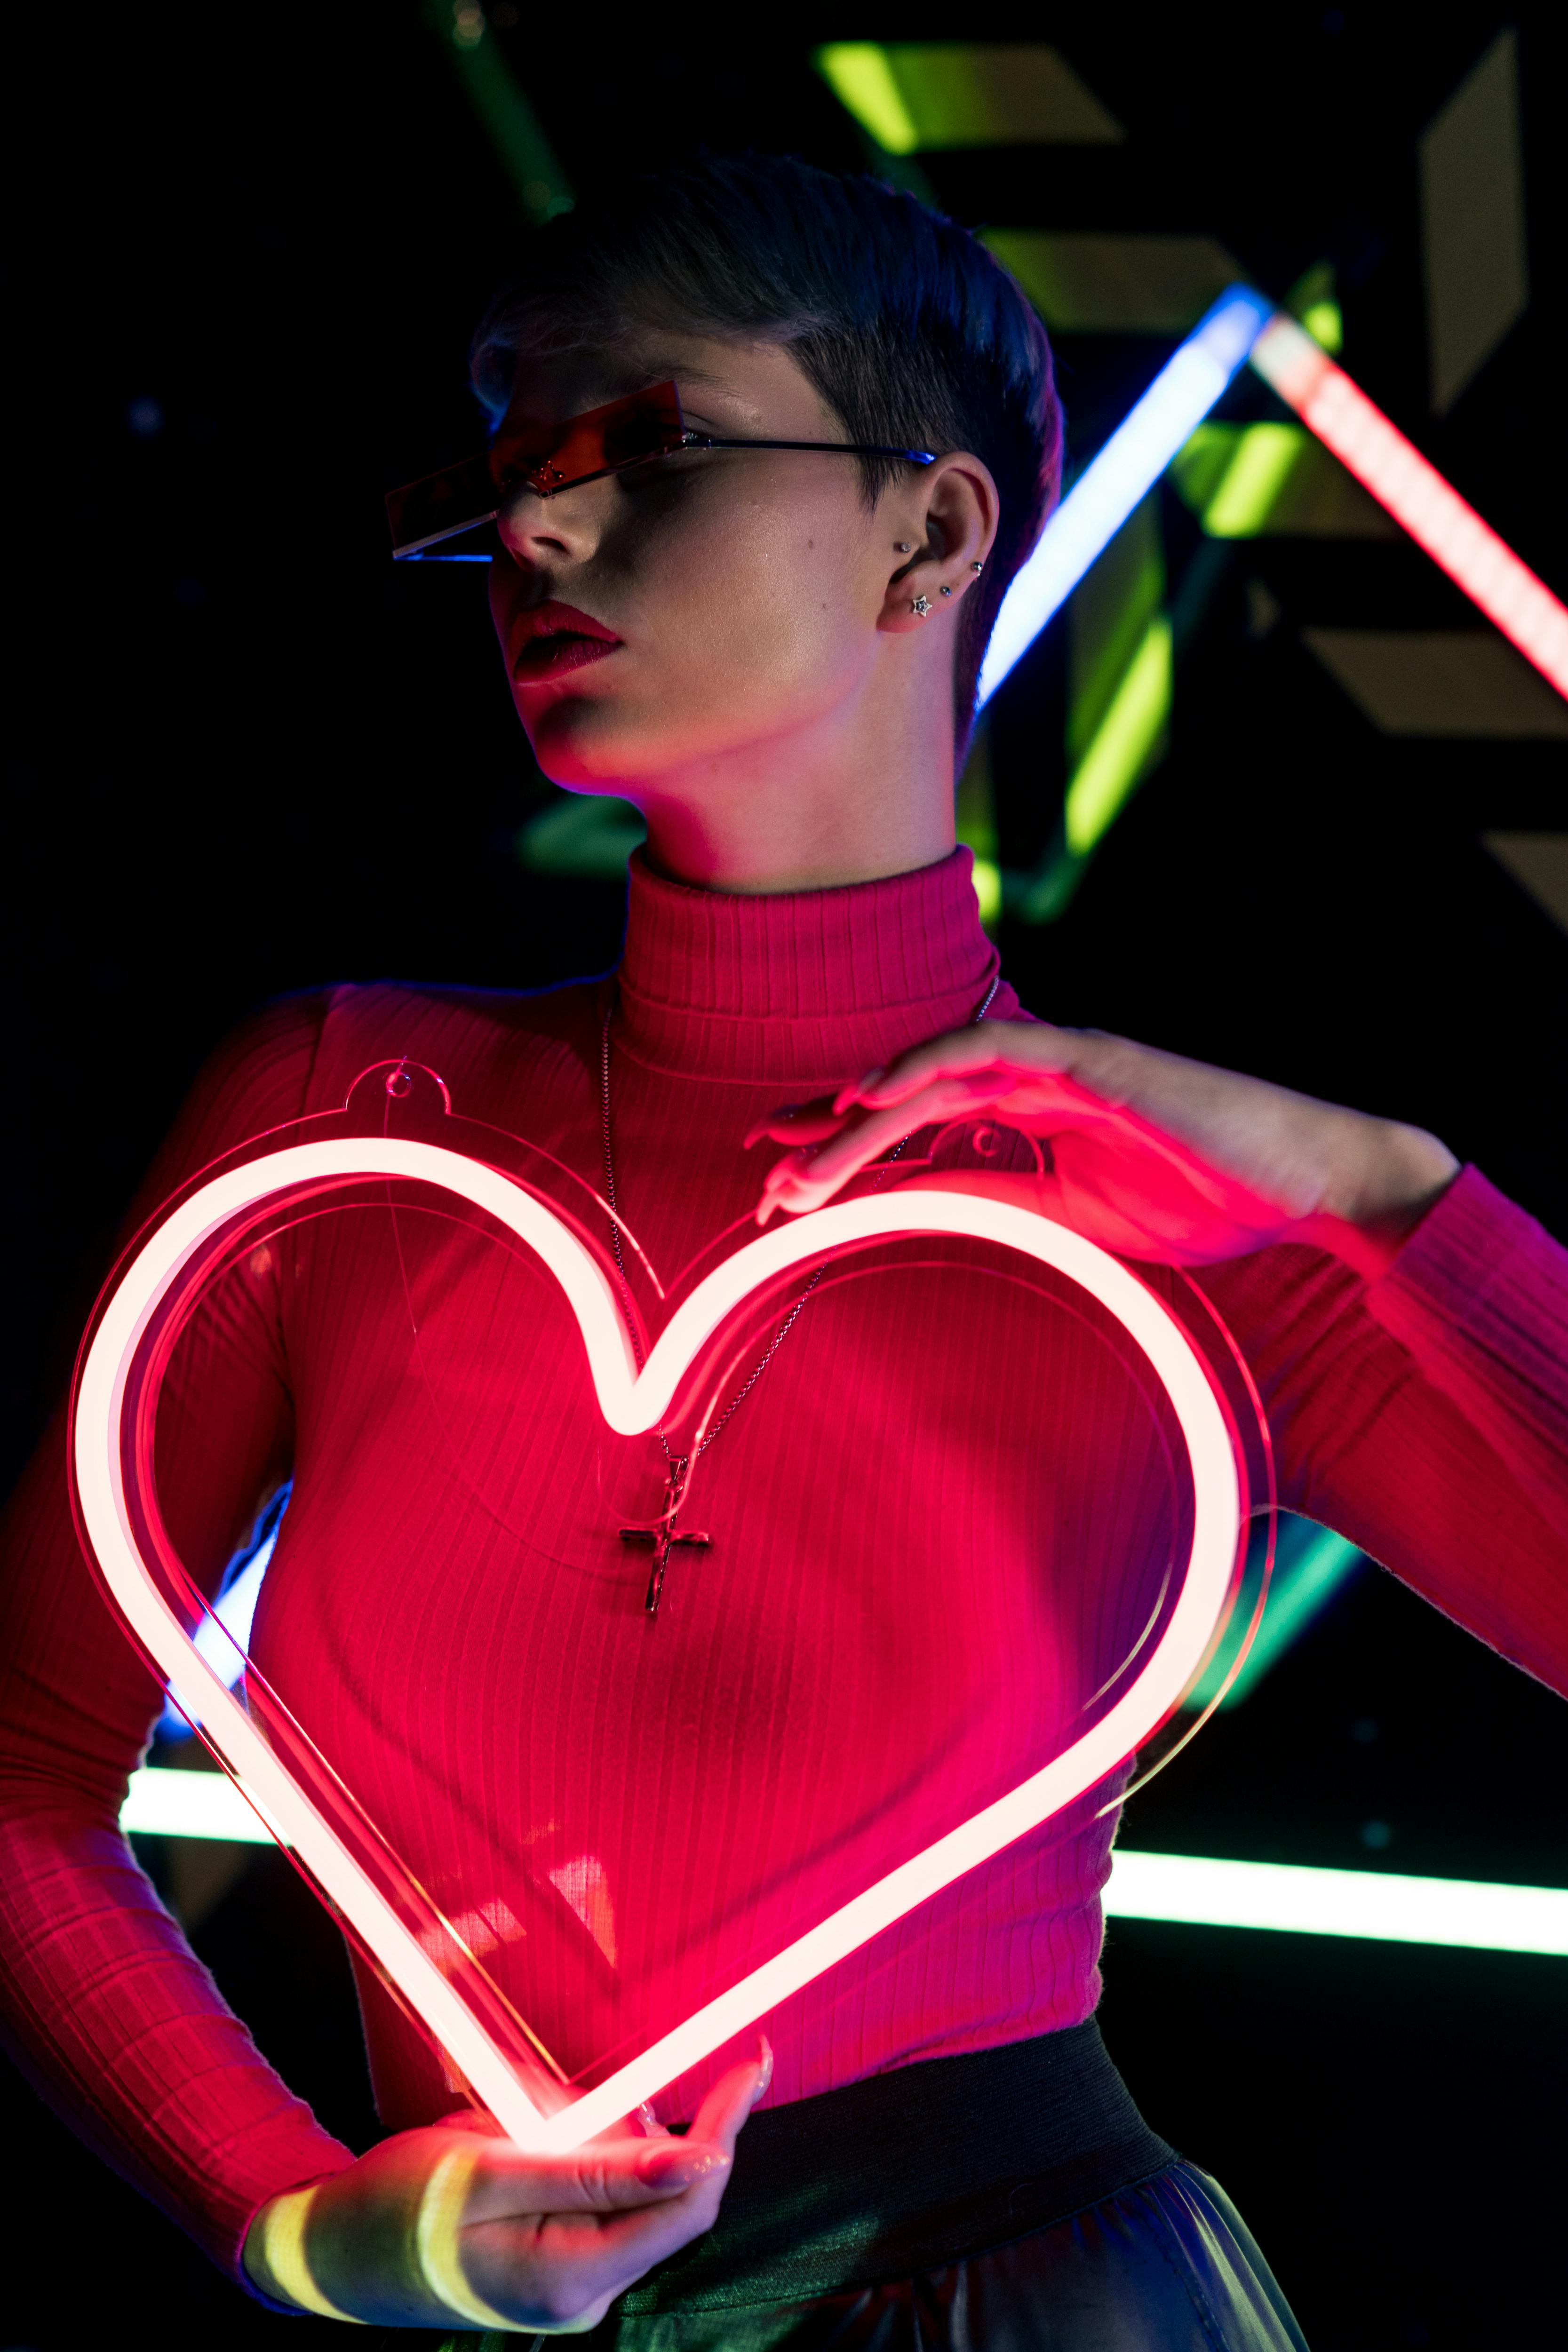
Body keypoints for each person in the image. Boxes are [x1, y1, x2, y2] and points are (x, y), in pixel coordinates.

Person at [2, 154, 1566, 2349]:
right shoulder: (335, 1126)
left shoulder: (1198, 1237)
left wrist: (1389, 1190)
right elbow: (20, 1780)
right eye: (507, 473)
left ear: (932, 532)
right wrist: (314, 2223)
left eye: (647, 446)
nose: (535, 533)